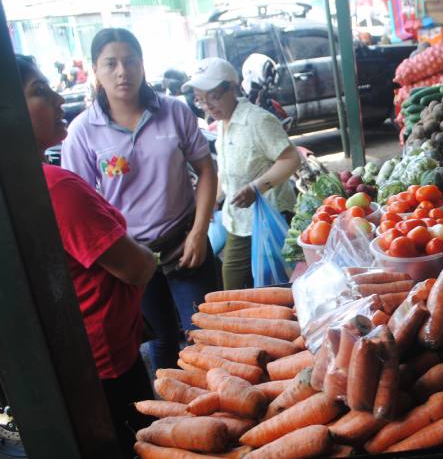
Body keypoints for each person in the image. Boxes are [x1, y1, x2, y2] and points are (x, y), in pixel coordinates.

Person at [15, 55, 157, 456]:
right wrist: (149, 257)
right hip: (106, 364)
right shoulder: (55, 188)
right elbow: (136, 267)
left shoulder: (27, 181)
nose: (59, 97)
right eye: (39, 92)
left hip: (80, 358)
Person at [61, 28, 219, 373]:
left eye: (130, 60)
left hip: (185, 243)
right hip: (131, 256)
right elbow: (80, 205)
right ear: (95, 71)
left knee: (207, 333)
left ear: (142, 64)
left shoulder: (174, 112)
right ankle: (172, 419)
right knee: (160, 340)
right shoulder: (82, 132)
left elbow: (206, 170)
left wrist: (198, 231)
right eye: (111, 63)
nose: (122, 71)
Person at [183, 58, 300, 290]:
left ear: (232, 88)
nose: (207, 106)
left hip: (268, 218)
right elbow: (226, 174)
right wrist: (211, 203)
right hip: (240, 220)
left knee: (261, 282)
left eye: (213, 96)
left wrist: (257, 188)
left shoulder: (257, 121)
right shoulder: (224, 123)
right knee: (248, 283)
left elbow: (291, 158)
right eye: (201, 100)